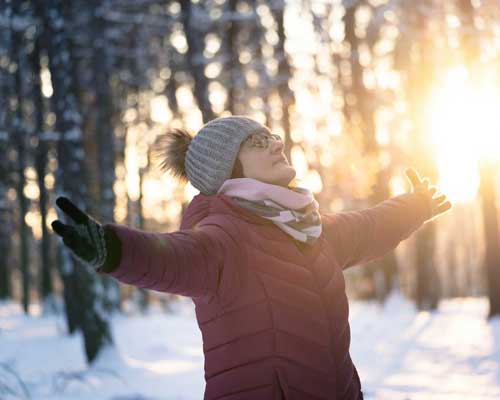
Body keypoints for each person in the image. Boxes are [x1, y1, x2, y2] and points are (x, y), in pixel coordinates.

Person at [51, 115, 452, 400]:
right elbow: (172, 257)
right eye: (258, 143)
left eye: (272, 136)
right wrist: (113, 248)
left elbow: (369, 227)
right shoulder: (225, 237)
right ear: (229, 169)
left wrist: (415, 206)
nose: (277, 144)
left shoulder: (311, 228)